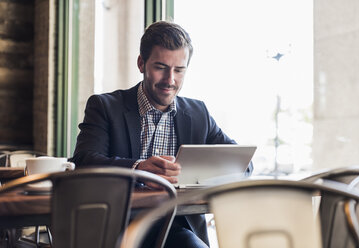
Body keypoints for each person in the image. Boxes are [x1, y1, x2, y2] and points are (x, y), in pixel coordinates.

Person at [71, 21, 253, 248]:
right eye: (160, 67)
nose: (170, 80)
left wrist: (201, 173)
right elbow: (83, 161)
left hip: (176, 227)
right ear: (141, 63)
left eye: (179, 70)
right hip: (117, 228)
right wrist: (139, 168)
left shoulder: (198, 113)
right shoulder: (105, 106)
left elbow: (243, 164)